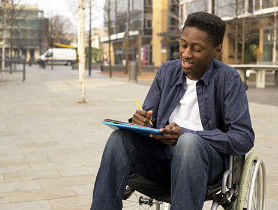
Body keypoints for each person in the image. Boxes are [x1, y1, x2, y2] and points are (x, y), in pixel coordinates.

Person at [90, 12, 254, 210]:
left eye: (197, 49)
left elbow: (243, 138)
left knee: (189, 143)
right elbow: (151, 117)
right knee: (119, 138)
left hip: (205, 163)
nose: (185, 54)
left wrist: (186, 134)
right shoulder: (167, 71)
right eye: (183, 45)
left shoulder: (228, 79)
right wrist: (140, 122)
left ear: (216, 50)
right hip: (161, 159)